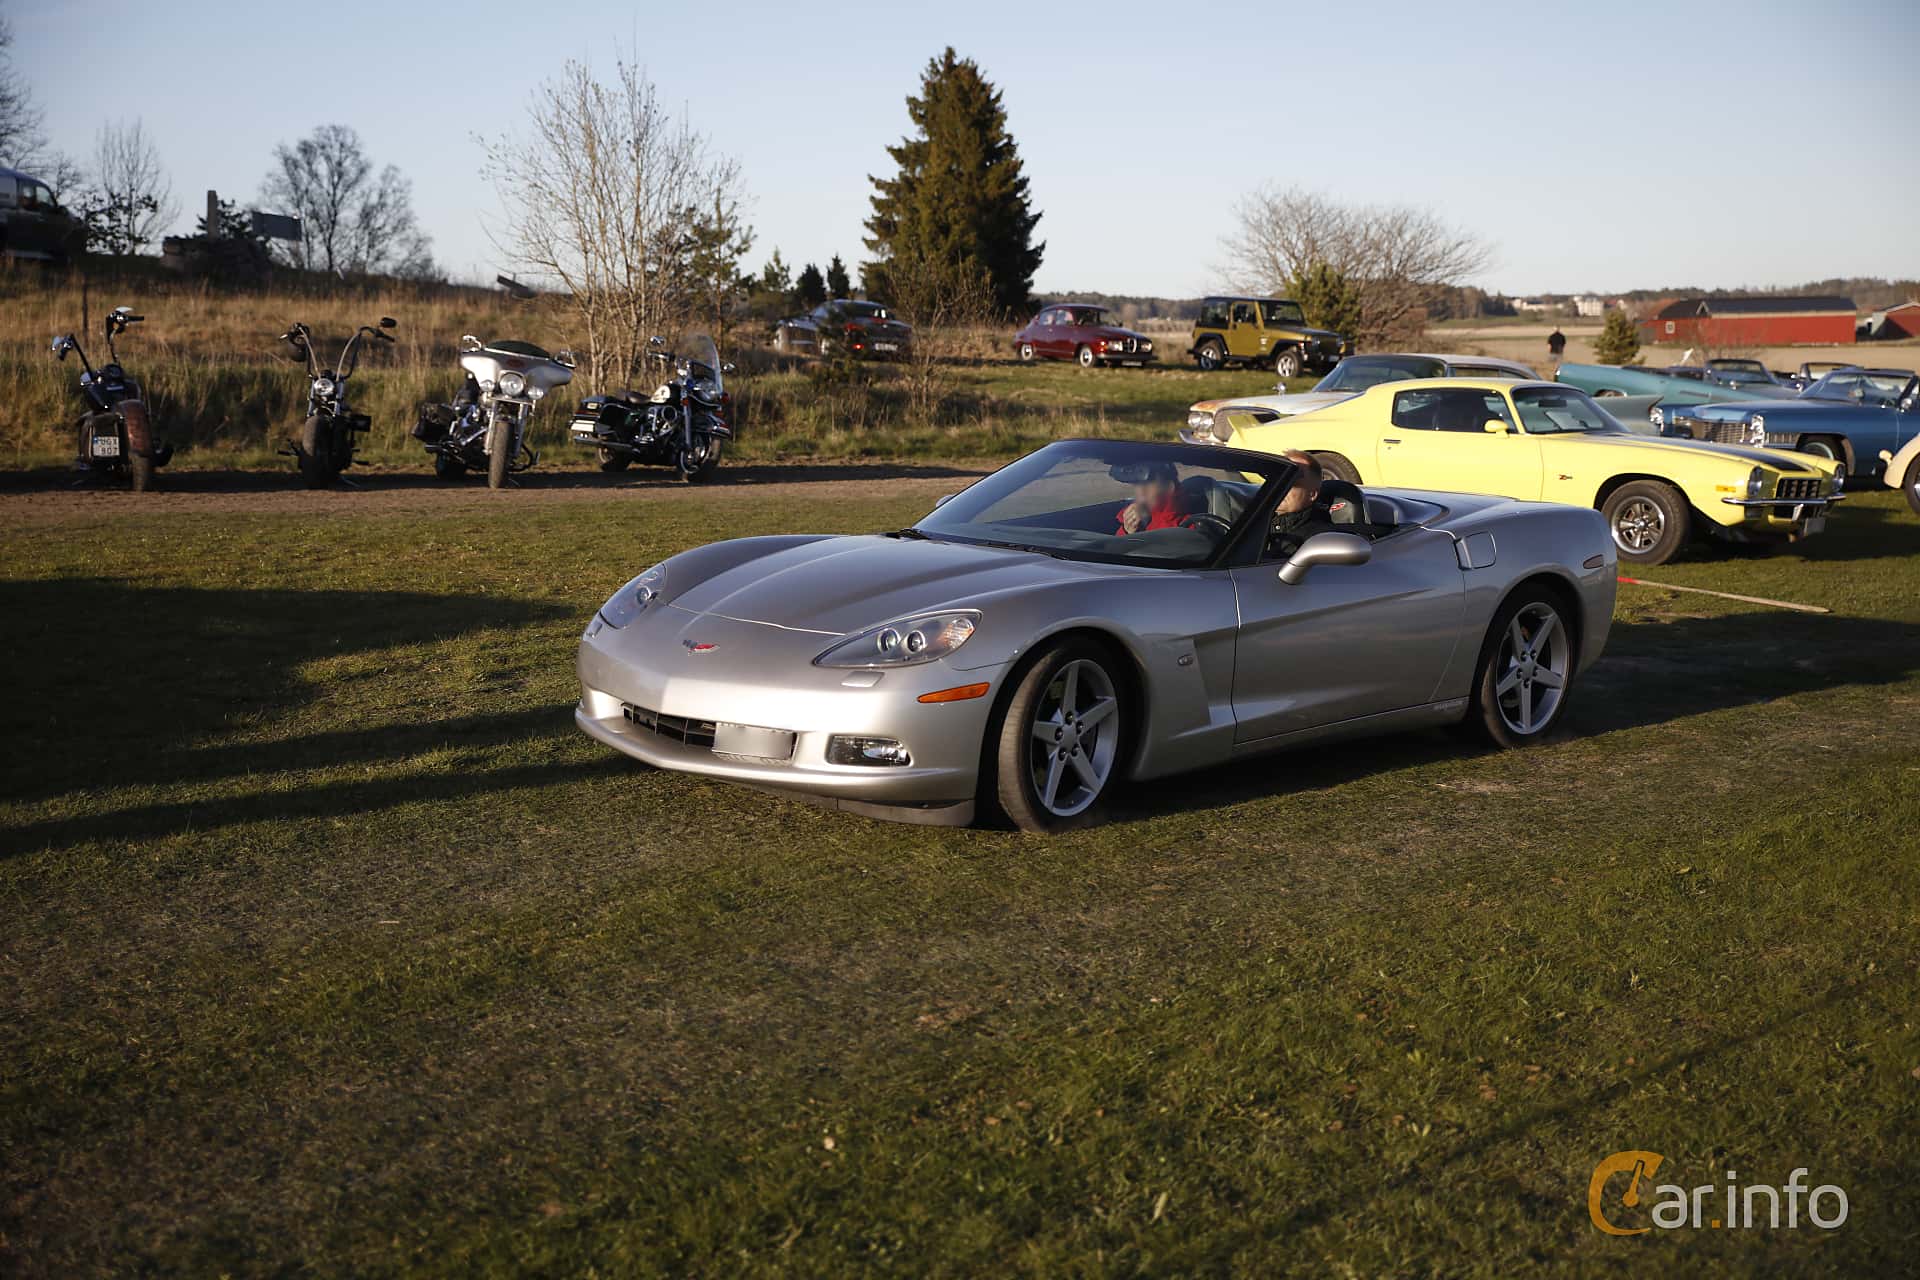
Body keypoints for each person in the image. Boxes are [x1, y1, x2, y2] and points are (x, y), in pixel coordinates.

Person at [1268, 450, 1339, 558]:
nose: (1281, 487)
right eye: (1278, 479)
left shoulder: (1318, 540)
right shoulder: (1256, 522)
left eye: (1292, 482)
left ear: (1312, 494)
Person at [1117, 462, 1192, 534]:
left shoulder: (1189, 524)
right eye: (1136, 484)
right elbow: (1117, 545)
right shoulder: (1135, 516)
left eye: (1148, 484)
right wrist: (1127, 531)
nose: (1141, 492)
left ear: (1170, 486)